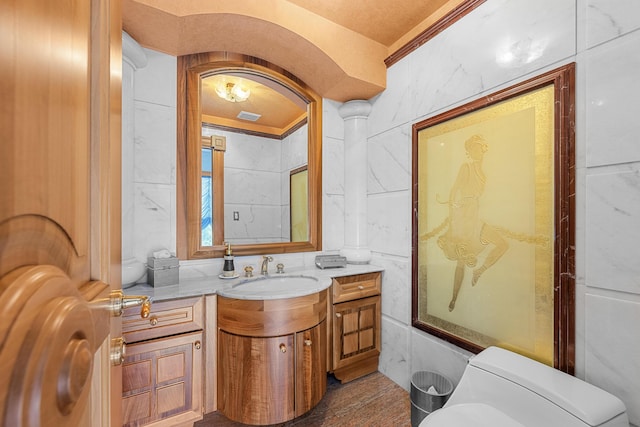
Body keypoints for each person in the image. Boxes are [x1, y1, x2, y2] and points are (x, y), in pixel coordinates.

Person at [436, 135, 508, 312]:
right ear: (469, 151)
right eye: (474, 148)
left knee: (503, 244)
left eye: (480, 147)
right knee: (460, 262)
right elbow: (454, 191)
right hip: (463, 218)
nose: (478, 151)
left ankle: (479, 270)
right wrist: (454, 221)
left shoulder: (483, 170)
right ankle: (454, 299)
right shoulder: (466, 167)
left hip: (475, 216)